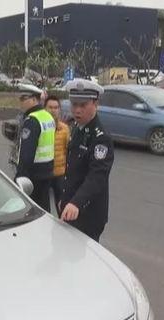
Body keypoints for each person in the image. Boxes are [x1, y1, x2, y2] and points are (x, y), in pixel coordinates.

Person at [60, 79, 114, 242]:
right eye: (74, 104)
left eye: (83, 105)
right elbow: (72, 169)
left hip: (88, 213)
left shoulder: (101, 138)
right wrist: (64, 197)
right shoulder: (77, 128)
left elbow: (97, 176)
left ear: (95, 104)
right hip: (71, 208)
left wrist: (76, 202)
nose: (77, 110)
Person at [14, 85, 56, 212]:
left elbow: (26, 154)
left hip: (34, 176)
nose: (21, 102)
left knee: (31, 210)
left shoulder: (32, 121)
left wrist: (19, 177)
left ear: (34, 99)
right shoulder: (48, 116)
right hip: (48, 171)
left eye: (24, 98)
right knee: (44, 208)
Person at [45, 95, 70, 214]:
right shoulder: (40, 127)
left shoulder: (64, 129)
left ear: (59, 110)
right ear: (45, 108)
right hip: (44, 173)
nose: (53, 110)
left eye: (56, 107)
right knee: (43, 208)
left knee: (61, 206)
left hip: (60, 174)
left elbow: (68, 151)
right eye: (50, 107)